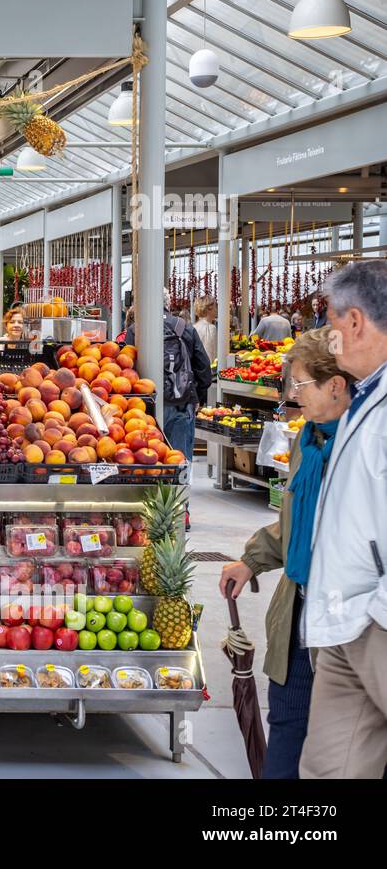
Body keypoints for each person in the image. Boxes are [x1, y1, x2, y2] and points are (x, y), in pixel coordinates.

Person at [219, 328, 353, 778]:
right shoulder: (306, 442)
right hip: (297, 608)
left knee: (347, 740)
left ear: (335, 386)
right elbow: (297, 522)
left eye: (298, 384)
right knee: (287, 724)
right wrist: (252, 558)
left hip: (347, 619)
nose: (292, 396)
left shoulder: (364, 448)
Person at [297, 261, 387, 779]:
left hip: (375, 619)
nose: (328, 335)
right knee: (330, 767)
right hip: (343, 619)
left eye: (329, 321)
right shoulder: (362, 398)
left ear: (353, 321)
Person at [127, 289, 212, 463]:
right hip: (181, 401)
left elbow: (126, 368)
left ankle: (150, 490)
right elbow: (204, 369)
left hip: (144, 406)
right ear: (168, 303)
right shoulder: (184, 328)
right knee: (178, 460)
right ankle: (180, 490)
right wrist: (196, 396)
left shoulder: (135, 330)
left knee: (147, 459)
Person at [192, 296, 218, 362]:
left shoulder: (194, 327)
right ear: (209, 308)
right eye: (215, 306)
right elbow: (210, 355)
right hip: (206, 369)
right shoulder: (210, 328)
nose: (216, 309)